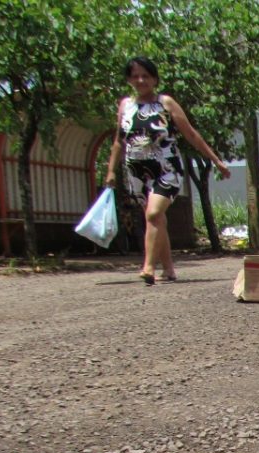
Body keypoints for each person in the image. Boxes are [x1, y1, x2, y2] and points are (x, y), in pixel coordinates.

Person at [104, 57, 230, 285]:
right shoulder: (125, 106)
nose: (141, 80)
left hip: (166, 169)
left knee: (153, 214)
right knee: (156, 219)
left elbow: (191, 134)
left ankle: (149, 267)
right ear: (129, 79)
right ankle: (169, 269)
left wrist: (216, 160)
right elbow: (119, 141)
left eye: (146, 75)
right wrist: (111, 170)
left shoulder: (166, 103)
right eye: (135, 76)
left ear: (154, 78)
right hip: (137, 171)